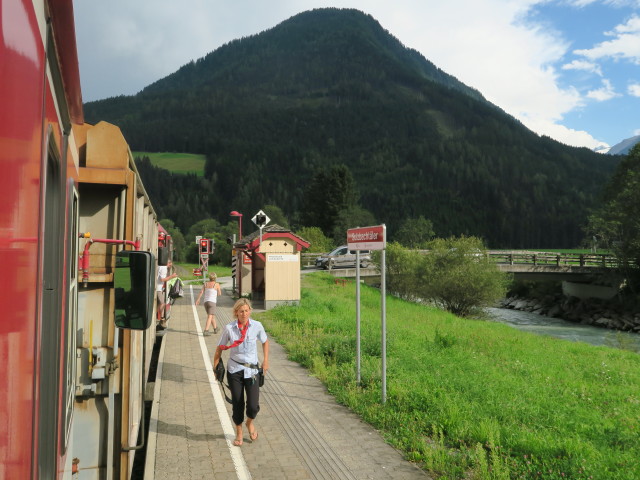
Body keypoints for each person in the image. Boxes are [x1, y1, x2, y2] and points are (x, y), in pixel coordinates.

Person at [213, 298, 269, 446]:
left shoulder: (257, 326)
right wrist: (215, 367)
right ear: (236, 312)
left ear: (250, 311)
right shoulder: (229, 328)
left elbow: (265, 341)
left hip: (252, 371)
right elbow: (220, 347)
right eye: (241, 311)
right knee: (237, 403)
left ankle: (249, 422)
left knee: (253, 405)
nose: (244, 314)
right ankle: (238, 431)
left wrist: (266, 361)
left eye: (246, 311)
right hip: (235, 370)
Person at [156, 259, 177, 328]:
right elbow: (162, 279)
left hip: (158, 287)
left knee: (159, 303)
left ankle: (159, 317)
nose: (170, 266)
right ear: (169, 263)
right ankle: (161, 319)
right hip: (158, 288)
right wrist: (172, 276)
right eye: (170, 264)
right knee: (162, 303)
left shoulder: (160, 266)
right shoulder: (164, 268)